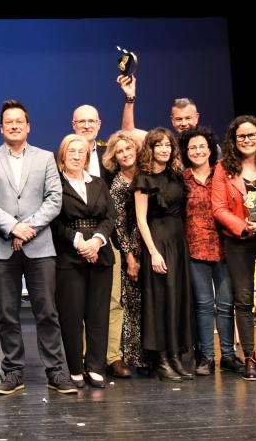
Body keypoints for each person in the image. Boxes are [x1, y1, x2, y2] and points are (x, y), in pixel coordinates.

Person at [0, 100, 75, 396]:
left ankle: (56, 371)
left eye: (20, 121)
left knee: (47, 312)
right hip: (1, 247)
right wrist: (12, 227)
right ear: (1, 128)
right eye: (9, 122)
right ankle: (13, 372)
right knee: (7, 313)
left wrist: (27, 229)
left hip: (40, 246)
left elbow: (54, 199)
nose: (15, 125)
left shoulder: (45, 158)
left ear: (28, 126)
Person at [211, 115, 256, 381]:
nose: (246, 140)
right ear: (233, 140)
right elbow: (218, 208)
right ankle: (250, 357)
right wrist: (242, 225)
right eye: (241, 136)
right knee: (242, 301)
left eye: (251, 135)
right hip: (238, 239)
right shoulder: (223, 168)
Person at [52, 134, 115, 389]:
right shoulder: (54, 184)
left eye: (81, 152)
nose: (76, 156)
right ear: (62, 156)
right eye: (71, 152)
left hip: (100, 253)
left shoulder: (99, 183)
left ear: (87, 157)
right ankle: (75, 368)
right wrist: (79, 242)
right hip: (69, 255)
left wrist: (97, 241)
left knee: (98, 314)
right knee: (72, 314)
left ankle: (95, 366)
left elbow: (110, 217)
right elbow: (54, 222)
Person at [133, 128, 194, 382]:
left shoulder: (176, 176)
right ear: (150, 148)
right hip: (157, 243)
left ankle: (175, 355)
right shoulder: (143, 179)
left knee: (178, 299)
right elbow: (140, 219)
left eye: (168, 145)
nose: (164, 149)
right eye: (158, 145)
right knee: (160, 300)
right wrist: (154, 253)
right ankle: (161, 360)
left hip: (178, 244)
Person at [179, 126, 240, 375]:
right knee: (203, 305)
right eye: (192, 147)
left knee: (226, 304)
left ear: (210, 148)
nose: (197, 151)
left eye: (202, 146)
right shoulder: (182, 179)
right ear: (186, 151)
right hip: (195, 249)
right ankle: (207, 357)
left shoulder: (223, 174)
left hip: (226, 246)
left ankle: (228, 355)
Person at [102, 130, 146, 376]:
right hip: (126, 247)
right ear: (114, 157)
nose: (126, 154)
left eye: (129, 149)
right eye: (120, 151)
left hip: (149, 244)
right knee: (126, 302)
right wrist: (130, 256)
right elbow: (117, 224)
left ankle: (149, 354)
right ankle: (127, 356)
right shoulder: (117, 184)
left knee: (146, 301)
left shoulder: (147, 176)